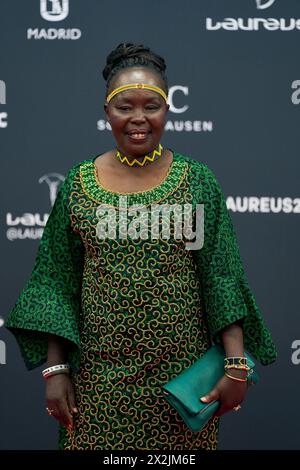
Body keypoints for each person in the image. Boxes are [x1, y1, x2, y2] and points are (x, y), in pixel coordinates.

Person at [6, 43, 277, 451]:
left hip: (181, 382)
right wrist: (56, 369)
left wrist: (236, 364)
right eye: (124, 107)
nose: (138, 118)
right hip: (97, 383)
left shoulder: (196, 181)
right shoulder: (79, 185)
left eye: (151, 105)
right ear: (106, 112)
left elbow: (220, 275)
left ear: (167, 108)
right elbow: (55, 282)